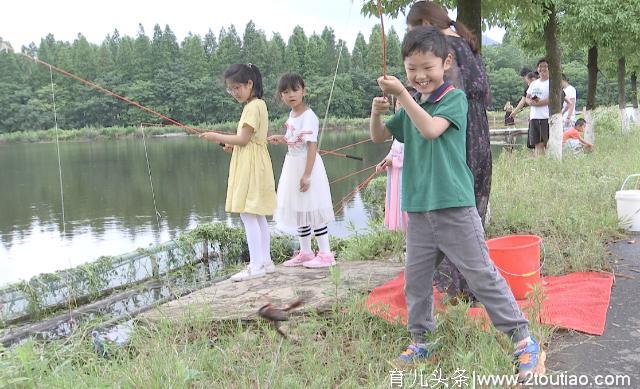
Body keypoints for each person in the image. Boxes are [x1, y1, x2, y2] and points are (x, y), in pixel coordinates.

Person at [369, 25, 544, 379]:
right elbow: (378, 136)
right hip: (419, 209)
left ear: (446, 62)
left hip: (454, 206)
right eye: (411, 69)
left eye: (427, 67)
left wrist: (402, 94)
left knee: (480, 274)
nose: (420, 76)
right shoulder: (412, 102)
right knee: (415, 282)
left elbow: (431, 129)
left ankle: (524, 341)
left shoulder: (453, 98)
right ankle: (422, 340)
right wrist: (377, 110)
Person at [407, 0, 492, 300]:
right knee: (472, 198)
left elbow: (443, 93)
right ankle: (469, 279)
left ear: (424, 23)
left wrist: (408, 99)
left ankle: (457, 284)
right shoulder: (463, 41)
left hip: (457, 128)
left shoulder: (447, 47)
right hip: (477, 127)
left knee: (454, 205)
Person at [200, 63, 277, 281]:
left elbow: (244, 139)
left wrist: (217, 136)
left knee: (247, 212)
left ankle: (256, 265)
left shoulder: (253, 107)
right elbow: (247, 140)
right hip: (255, 160)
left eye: (237, 88)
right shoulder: (258, 105)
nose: (234, 93)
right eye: (230, 89)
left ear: (249, 84)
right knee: (257, 213)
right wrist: (232, 146)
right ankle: (265, 261)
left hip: (252, 165)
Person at [267, 73, 336, 268]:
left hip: (308, 165)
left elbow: (311, 146)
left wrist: (307, 174)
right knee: (299, 208)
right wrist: (281, 138)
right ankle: (305, 252)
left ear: (303, 91)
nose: (291, 95)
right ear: (281, 96)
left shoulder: (309, 116)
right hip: (292, 165)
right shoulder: (292, 115)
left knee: (314, 208)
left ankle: (325, 254)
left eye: (295, 90)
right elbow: (295, 140)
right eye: (286, 92)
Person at [375, 88, 414, 232]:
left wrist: (395, 161)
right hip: (396, 178)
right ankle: (404, 240)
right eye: (398, 104)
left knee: (407, 210)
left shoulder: (416, 128)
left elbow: (415, 155)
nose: (401, 107)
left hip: (408, 178)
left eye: (405, 103)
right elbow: (393, 151)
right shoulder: (397, 129)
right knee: (396, 205)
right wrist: (385, 162)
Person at [526, 58, 550, 157]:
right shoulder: (533, 83)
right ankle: (539, 165)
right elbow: (527, 98)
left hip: (545, 117)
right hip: (534, 117)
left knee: (547, 143)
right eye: (540, 66)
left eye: (545, 66)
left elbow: (552, 99)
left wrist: (538, 103)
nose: (542, 69)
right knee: (536, 144)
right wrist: (531, 102)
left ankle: (548, 164)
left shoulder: (552, 82)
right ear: (537, 69)